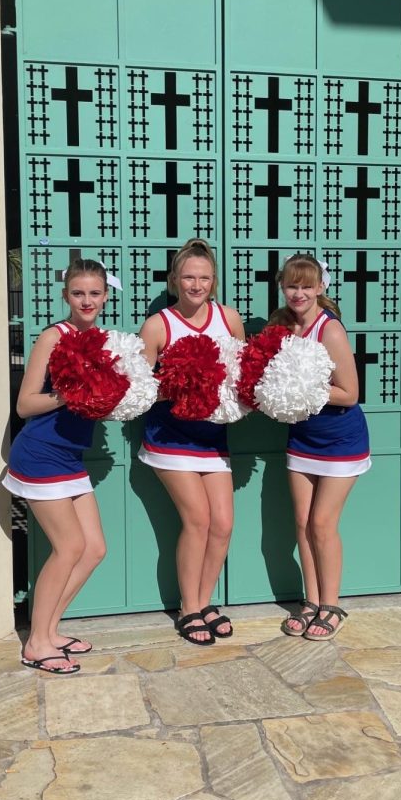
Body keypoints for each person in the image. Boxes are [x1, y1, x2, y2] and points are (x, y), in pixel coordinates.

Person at [2, 258, 111, 674]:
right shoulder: (53, 337)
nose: (87, 300)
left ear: (105, 296)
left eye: (94, 293)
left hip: (71, 455)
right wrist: (73, 393)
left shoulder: (100, 339)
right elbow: (26, 404)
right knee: (68, 548)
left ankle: (48, 629)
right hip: (41, 454)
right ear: (66, 296)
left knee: (94, 548)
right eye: (78, 293)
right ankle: (37, 644)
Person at [138, 238, 245, 645]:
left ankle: (204, 600)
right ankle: (188, 609)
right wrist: (183, 386)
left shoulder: (229, 318)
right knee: (197, 519)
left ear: (213, 282)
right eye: (188, 277)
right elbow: (140, 389)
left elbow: (241, 373)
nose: (196, 284)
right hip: (169, 437)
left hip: (213, 438)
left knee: (223, 523)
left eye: (203, 277)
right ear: (174, 280)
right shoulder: (158, 325)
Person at [273, 254, 371, 640]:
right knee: (301, 522)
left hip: (340, 440)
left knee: (322, 523)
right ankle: (311, 601)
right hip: (302, 437)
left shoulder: (329, 330)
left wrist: (299, 389)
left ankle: (331, 605)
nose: (298, 293)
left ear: (320, 288)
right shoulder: (281, 325)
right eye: (292, 285)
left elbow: (349, 393)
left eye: (306, 286)